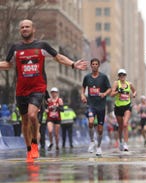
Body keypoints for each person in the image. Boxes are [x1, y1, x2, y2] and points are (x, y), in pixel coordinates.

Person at [0, 19, 87, 162]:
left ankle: (35, 142)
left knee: (33, 115)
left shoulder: (42, 46)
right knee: (25, 121)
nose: (24, 29)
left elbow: (58, 57)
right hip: (21, 90)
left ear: (33, 29)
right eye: (22, 27)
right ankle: (29, 149)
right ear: (20, 30)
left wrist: (73, 64)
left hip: (38, 88)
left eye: (27, 26)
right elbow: (8, 64)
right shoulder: (15, 48)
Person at [81, 58, 112, 156]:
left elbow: (110, 89)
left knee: (100, 129)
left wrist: (104, 94)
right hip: (91, 104)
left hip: (101, 106)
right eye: (93, 64)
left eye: (96, 64)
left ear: (98, 66)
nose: (94, 65)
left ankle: (98, 147)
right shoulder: (87, 77)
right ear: (91, 66)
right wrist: (82, 95)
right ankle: (92, 141)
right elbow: (83, 87)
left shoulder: (103, 77)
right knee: (90, 122)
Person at [110, 69, 137, 151]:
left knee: (125, 124)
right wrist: (118, 91)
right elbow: (111, 94)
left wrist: (134, 95)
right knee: (120, 126)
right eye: (120, 75)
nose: (122, 76)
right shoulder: (116, 83)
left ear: (126, 76)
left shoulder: (129, 84)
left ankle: (125, 144)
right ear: (118, 76)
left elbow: (134, 91)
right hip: (118, 107)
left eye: (123, 75)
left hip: (127, 106)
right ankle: (120, 141)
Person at [46, 87, 64, 151]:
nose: (54, 94)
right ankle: (51, 143)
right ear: (51, 93)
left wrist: (57, 107)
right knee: (50, 131)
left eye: (55, 92)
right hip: (50, 118)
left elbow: (62, 110)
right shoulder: (48, 100)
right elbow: (45, 108)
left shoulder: (59, 100)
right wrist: (46, 110)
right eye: (52, 92)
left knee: (56, 134)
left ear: (57, 93)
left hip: (57, 119)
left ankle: (57, 145)